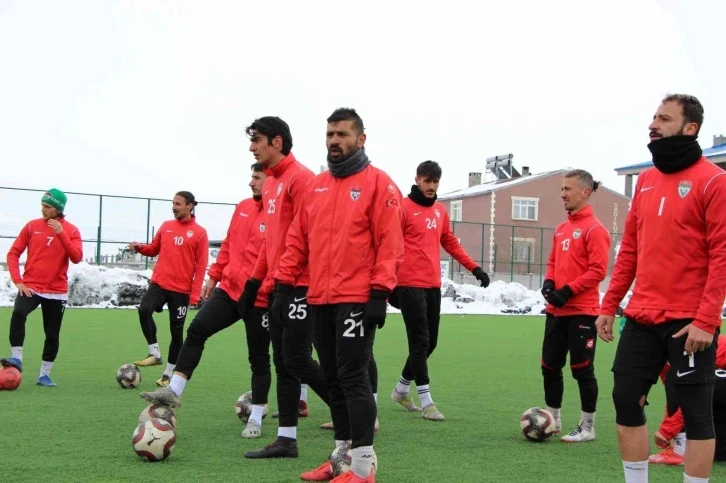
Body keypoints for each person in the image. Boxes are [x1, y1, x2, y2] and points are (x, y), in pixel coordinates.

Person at [596, 93, 726, 483]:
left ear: (690, 127)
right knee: (625, 400)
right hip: (642, 316)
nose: (653, 125)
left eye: (664, 119)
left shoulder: (715, 181)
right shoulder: (647, 181)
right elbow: (631, 248)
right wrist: (610, 303)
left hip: (689, 322)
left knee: (696, 412)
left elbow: (722, 255)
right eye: (654, 117)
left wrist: (706, 320)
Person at [275, 108, 404, 483]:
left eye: (343, 134)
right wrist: (283, 286)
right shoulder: (316, 186)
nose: (335, 140)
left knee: (352, 377)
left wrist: (380, 292)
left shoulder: (379, 184)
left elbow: (390, 243)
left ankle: (363, 468)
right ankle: (342, 459)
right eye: (330, 134)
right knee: (331, 378)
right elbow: (297, 240)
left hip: (357, 298)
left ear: (361, 139)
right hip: (320, 298)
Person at [139, 166, 272, 439]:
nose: (251, 182)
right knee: (197, 329)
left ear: (271, 181)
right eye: (251, 177)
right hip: (230, 290)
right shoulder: (243, 207)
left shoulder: (279, 212)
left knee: (258, 358)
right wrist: (214, 277)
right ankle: (174, 390)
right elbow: (229, 244)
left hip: (259, 297)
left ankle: (256, 416)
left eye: (257, 178)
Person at [238, 116, 331, 459]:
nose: (252, 147)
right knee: (283, 362)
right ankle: (286, 440)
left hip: (302, 284)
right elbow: (271, 241)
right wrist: (253, 283)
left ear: (276, 142)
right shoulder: (271, 183)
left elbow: (306, 237)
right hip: (280, 284)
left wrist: (285, 285)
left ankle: (352, 414)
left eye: (257, 140)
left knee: (297, 358)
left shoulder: (301, 179)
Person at [388, 160, 490, 422]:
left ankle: (401, 389)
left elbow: (450, 242)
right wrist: (386, 282)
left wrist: (475, 268)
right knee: (420, 342)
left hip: (432, 285)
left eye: (435, 182)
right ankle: (427, 403)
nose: (431, 186)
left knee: (430, 343)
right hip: (408, 284)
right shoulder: (402, 208)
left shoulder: (440, 211)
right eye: (427, 181)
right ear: (417, 180)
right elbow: (388, 244)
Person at [539, 169, 611, 442]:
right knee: (549, 366)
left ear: (585, 192)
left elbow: (598, 271)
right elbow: (553, 262)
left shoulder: (595, 229)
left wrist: (568, 290)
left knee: (582, 369)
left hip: (583, 312)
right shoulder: (561, 229)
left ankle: (587, 427)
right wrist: (549, 283)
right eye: (562, 189)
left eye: (567, 189)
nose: (562, 194)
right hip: (556, 311)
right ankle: (552, 420)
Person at [1, 189, 83, 387]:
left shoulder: (71, 230)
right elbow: (13, 254)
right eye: (42, 205)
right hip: (31, 286)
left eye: (47, 206)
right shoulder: (32, 226)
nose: (43, 209)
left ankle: (44, 375)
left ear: (58, 209)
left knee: (52, 334)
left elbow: (76, 257)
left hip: (56, 291)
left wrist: (60, 233)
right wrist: (18, 281)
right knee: (19, 313)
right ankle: (17, 358)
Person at [129, 191, 208, 387]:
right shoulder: (166, 226)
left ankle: (168, 374)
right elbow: (154, 248)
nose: (174, 207)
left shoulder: (200, 233)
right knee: (144, 310)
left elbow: (201, 266)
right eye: (173, 203)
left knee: (176, 333)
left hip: (181, 290)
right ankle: (154, 353)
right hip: (160, 283)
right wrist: (140, 247)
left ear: (190, 206)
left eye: (178, 204)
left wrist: (195, 294)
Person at [649, 333, 726, 465]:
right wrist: (668, 426)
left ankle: (679, 451)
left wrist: (667, 430)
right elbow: (675, 397)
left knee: (692, 386)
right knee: (718, 454)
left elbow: (691, 395)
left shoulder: (684, 343)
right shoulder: (665, 354)